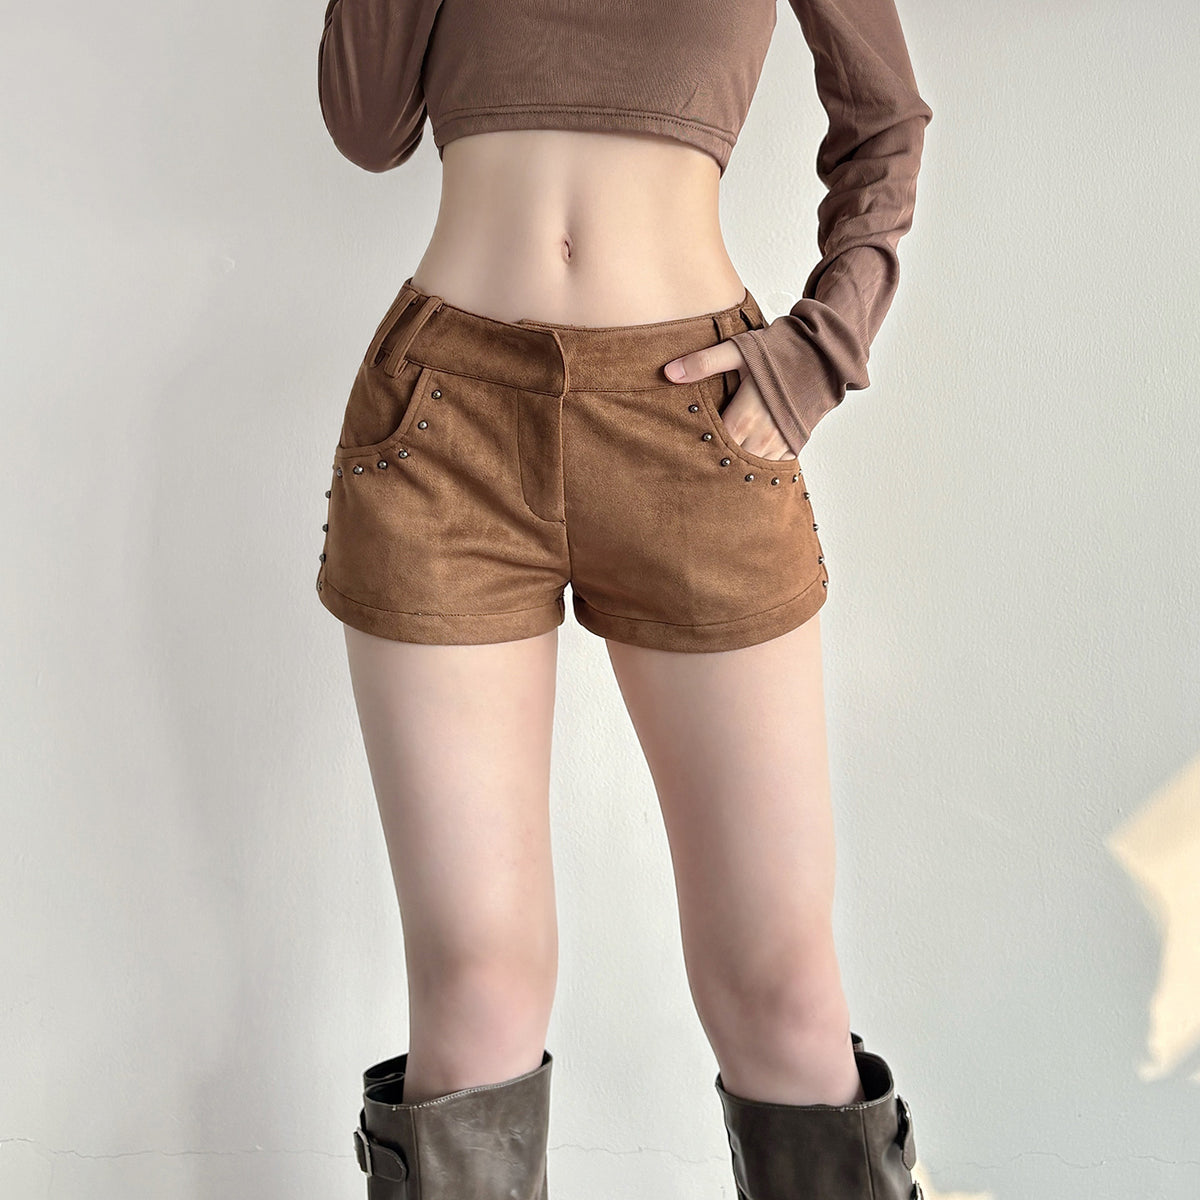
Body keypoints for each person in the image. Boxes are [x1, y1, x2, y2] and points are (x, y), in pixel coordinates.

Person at [314, 2, 933, 1197]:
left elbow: (885, 120)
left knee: (781, 991)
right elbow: (366, 122)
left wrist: (824, 345)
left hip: (694, 426)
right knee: (476, 992)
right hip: (444, 422)